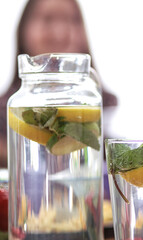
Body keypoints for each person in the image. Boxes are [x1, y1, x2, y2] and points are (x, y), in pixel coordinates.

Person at [0, 0, 117, 167]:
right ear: (23, 29)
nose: (60, 33)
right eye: (48, 19)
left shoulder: (107, 106)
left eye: (72, 20)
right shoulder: (9, 109)